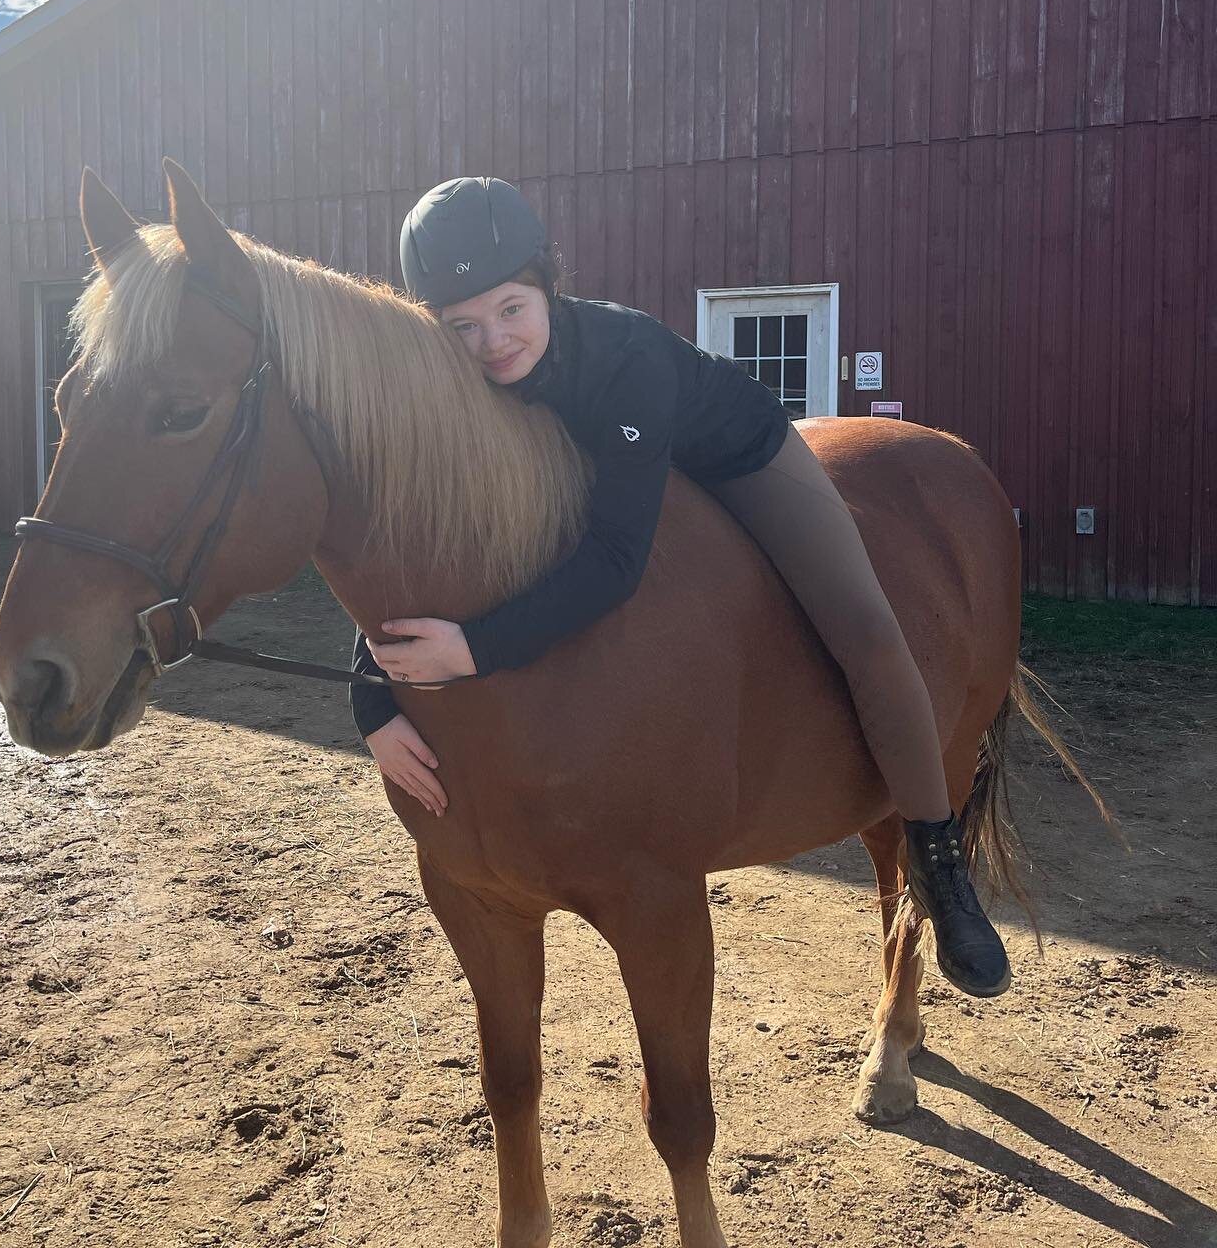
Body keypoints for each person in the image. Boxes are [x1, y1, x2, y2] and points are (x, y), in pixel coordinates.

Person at [351, 176, 1010, 999]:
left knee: (868, 629)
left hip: (739, 458)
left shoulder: (622, 356)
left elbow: (617, 559)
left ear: (545, 284)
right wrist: (373, 698)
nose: (492, 343)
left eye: (510, 308)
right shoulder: (464, 392)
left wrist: (476, 648)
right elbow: (423, 547)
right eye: (464, 325)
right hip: (624, 472)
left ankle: (939, 864)